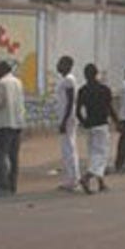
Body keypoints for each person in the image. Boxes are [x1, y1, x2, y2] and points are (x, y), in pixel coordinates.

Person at [76, 63, 118, 193]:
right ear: (96, 74)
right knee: (102, 155)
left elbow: (77, 111)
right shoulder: (104, 90)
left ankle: (101, 183)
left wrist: (83, 122)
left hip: (90, 125)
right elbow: (110, 108)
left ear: (85, 75)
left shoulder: (82, 90)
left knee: (94, 154)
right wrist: (117, 122)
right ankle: (86, 177)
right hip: (101, 125)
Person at [0, 61, 26, 194]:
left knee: (0, 155)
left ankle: (2, 184)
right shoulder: (18, 82)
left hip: (5, 123)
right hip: (18, 123)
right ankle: (13, 184)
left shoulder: (2, 83)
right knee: (14, 156)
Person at [56, 56, 79, 192]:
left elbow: (70, 102)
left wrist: (64, 121)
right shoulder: (65, 80)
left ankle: (73, 179)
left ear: (67, 65)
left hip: (68, 118)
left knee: (69, 148)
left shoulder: (69, 80)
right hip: (66, 117)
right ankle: (71, 178)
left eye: (60, 63)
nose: (58, 65)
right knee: (67, 148)